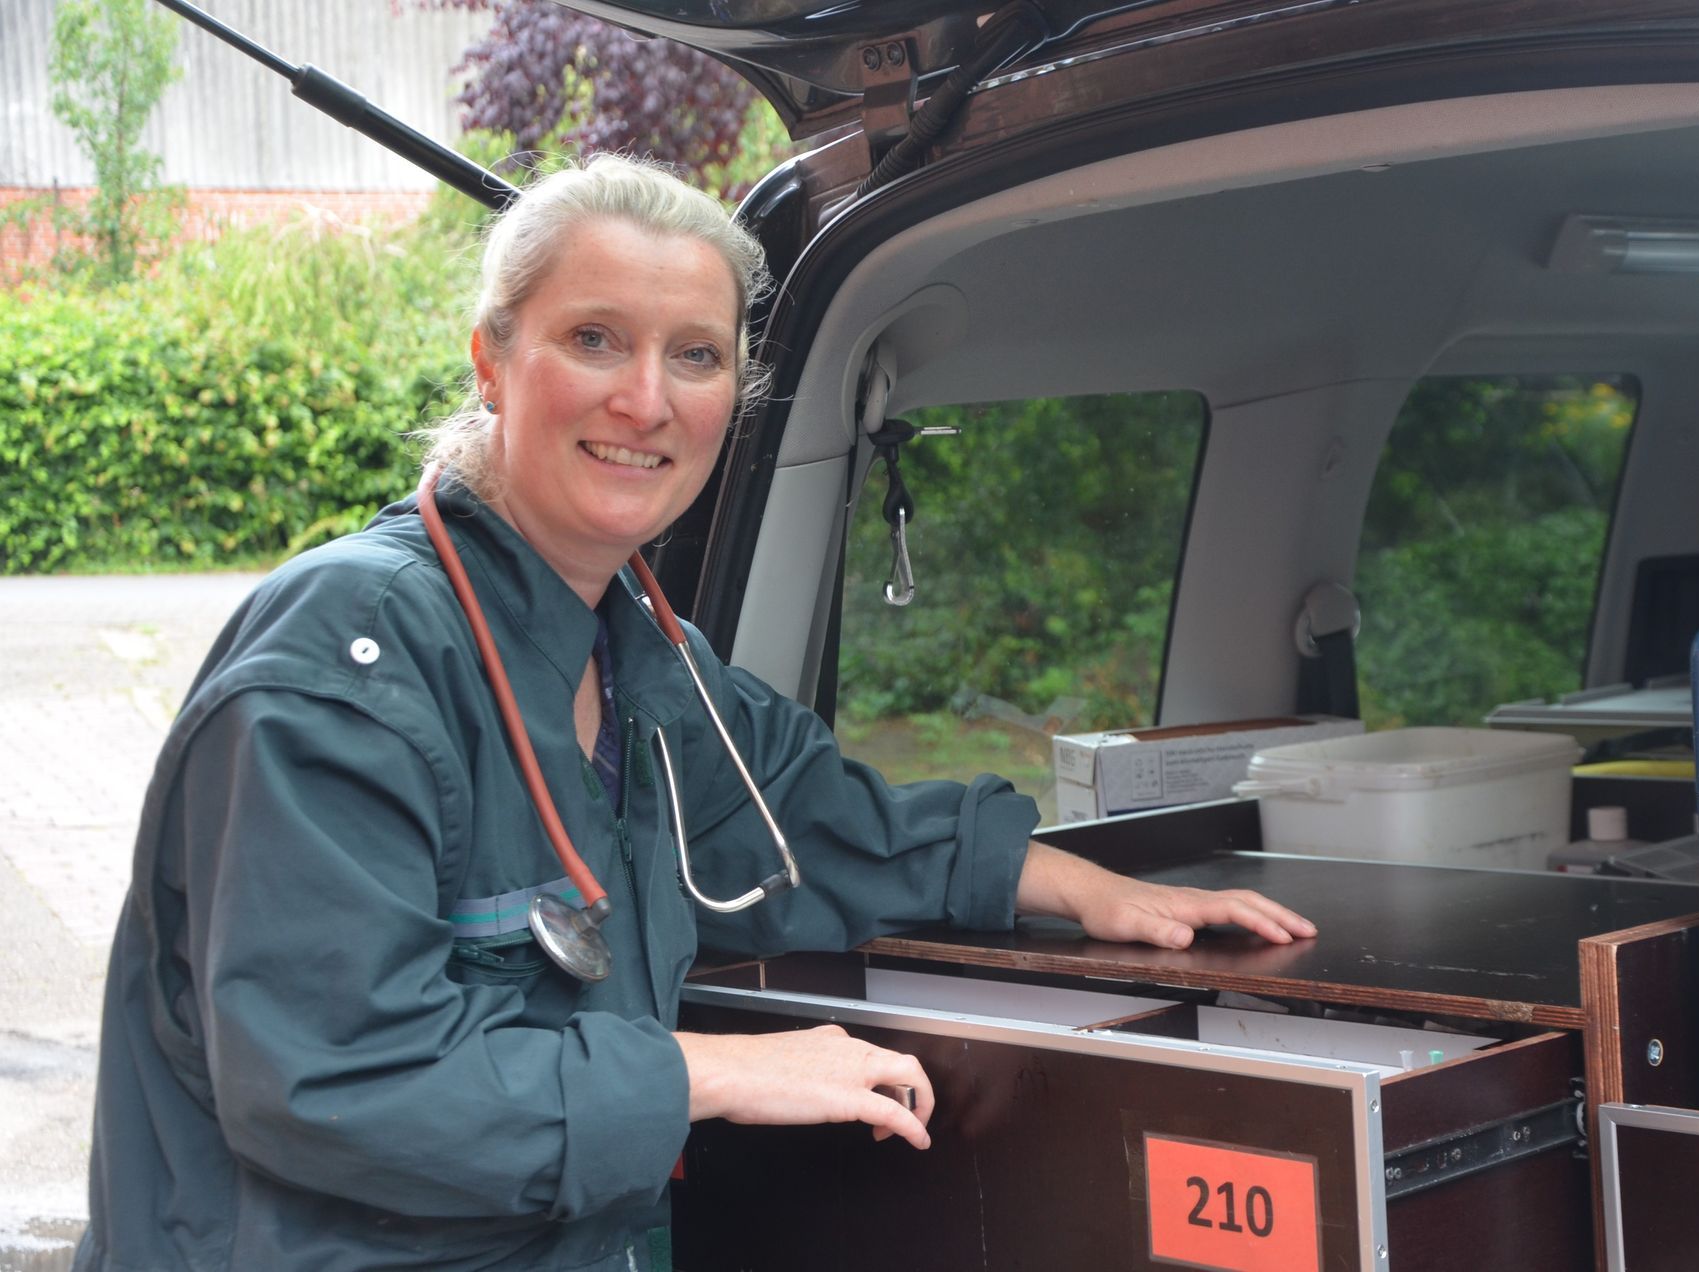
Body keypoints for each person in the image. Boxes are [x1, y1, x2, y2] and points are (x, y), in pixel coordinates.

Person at [75, 154, 1316, 1272]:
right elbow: (335, 1081)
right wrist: (711, 1071)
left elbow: (808, 820)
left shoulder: (654, 659)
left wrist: (1080, 886)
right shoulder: (344, 666)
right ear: (493, 362)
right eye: (597, 340)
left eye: (696, 355)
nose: (647, 402)